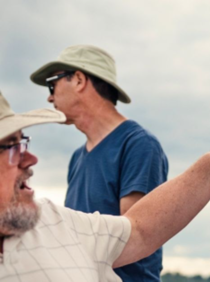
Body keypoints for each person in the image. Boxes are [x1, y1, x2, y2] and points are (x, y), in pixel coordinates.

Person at [0, 91, 210, 281]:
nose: (30, 158)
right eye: (12, 147)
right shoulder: (77, 158)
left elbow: (139, 230)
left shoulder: (50, 219)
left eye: (25, 142)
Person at [29, 45, 168, 281]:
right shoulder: (77, 157)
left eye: (53, 84)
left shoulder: (139, 145)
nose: (49, 96)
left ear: (79, 80)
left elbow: (132, 237)